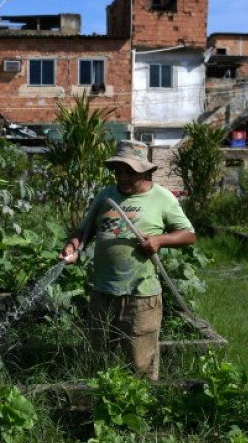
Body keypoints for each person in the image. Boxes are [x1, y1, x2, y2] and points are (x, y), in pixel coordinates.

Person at [58, 140, 196, 380]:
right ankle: (97, 406)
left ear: (146, 171)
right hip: (103, 292)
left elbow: (189, 235)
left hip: (141, 295)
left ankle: (140, 410)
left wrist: (159, 240)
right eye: (118, 170)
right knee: (97, 355)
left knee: (140, 363)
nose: (122, 176)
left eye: (129, 171)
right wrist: (72, 246)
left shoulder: (162, 199)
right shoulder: (105, 196)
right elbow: (84, 230)